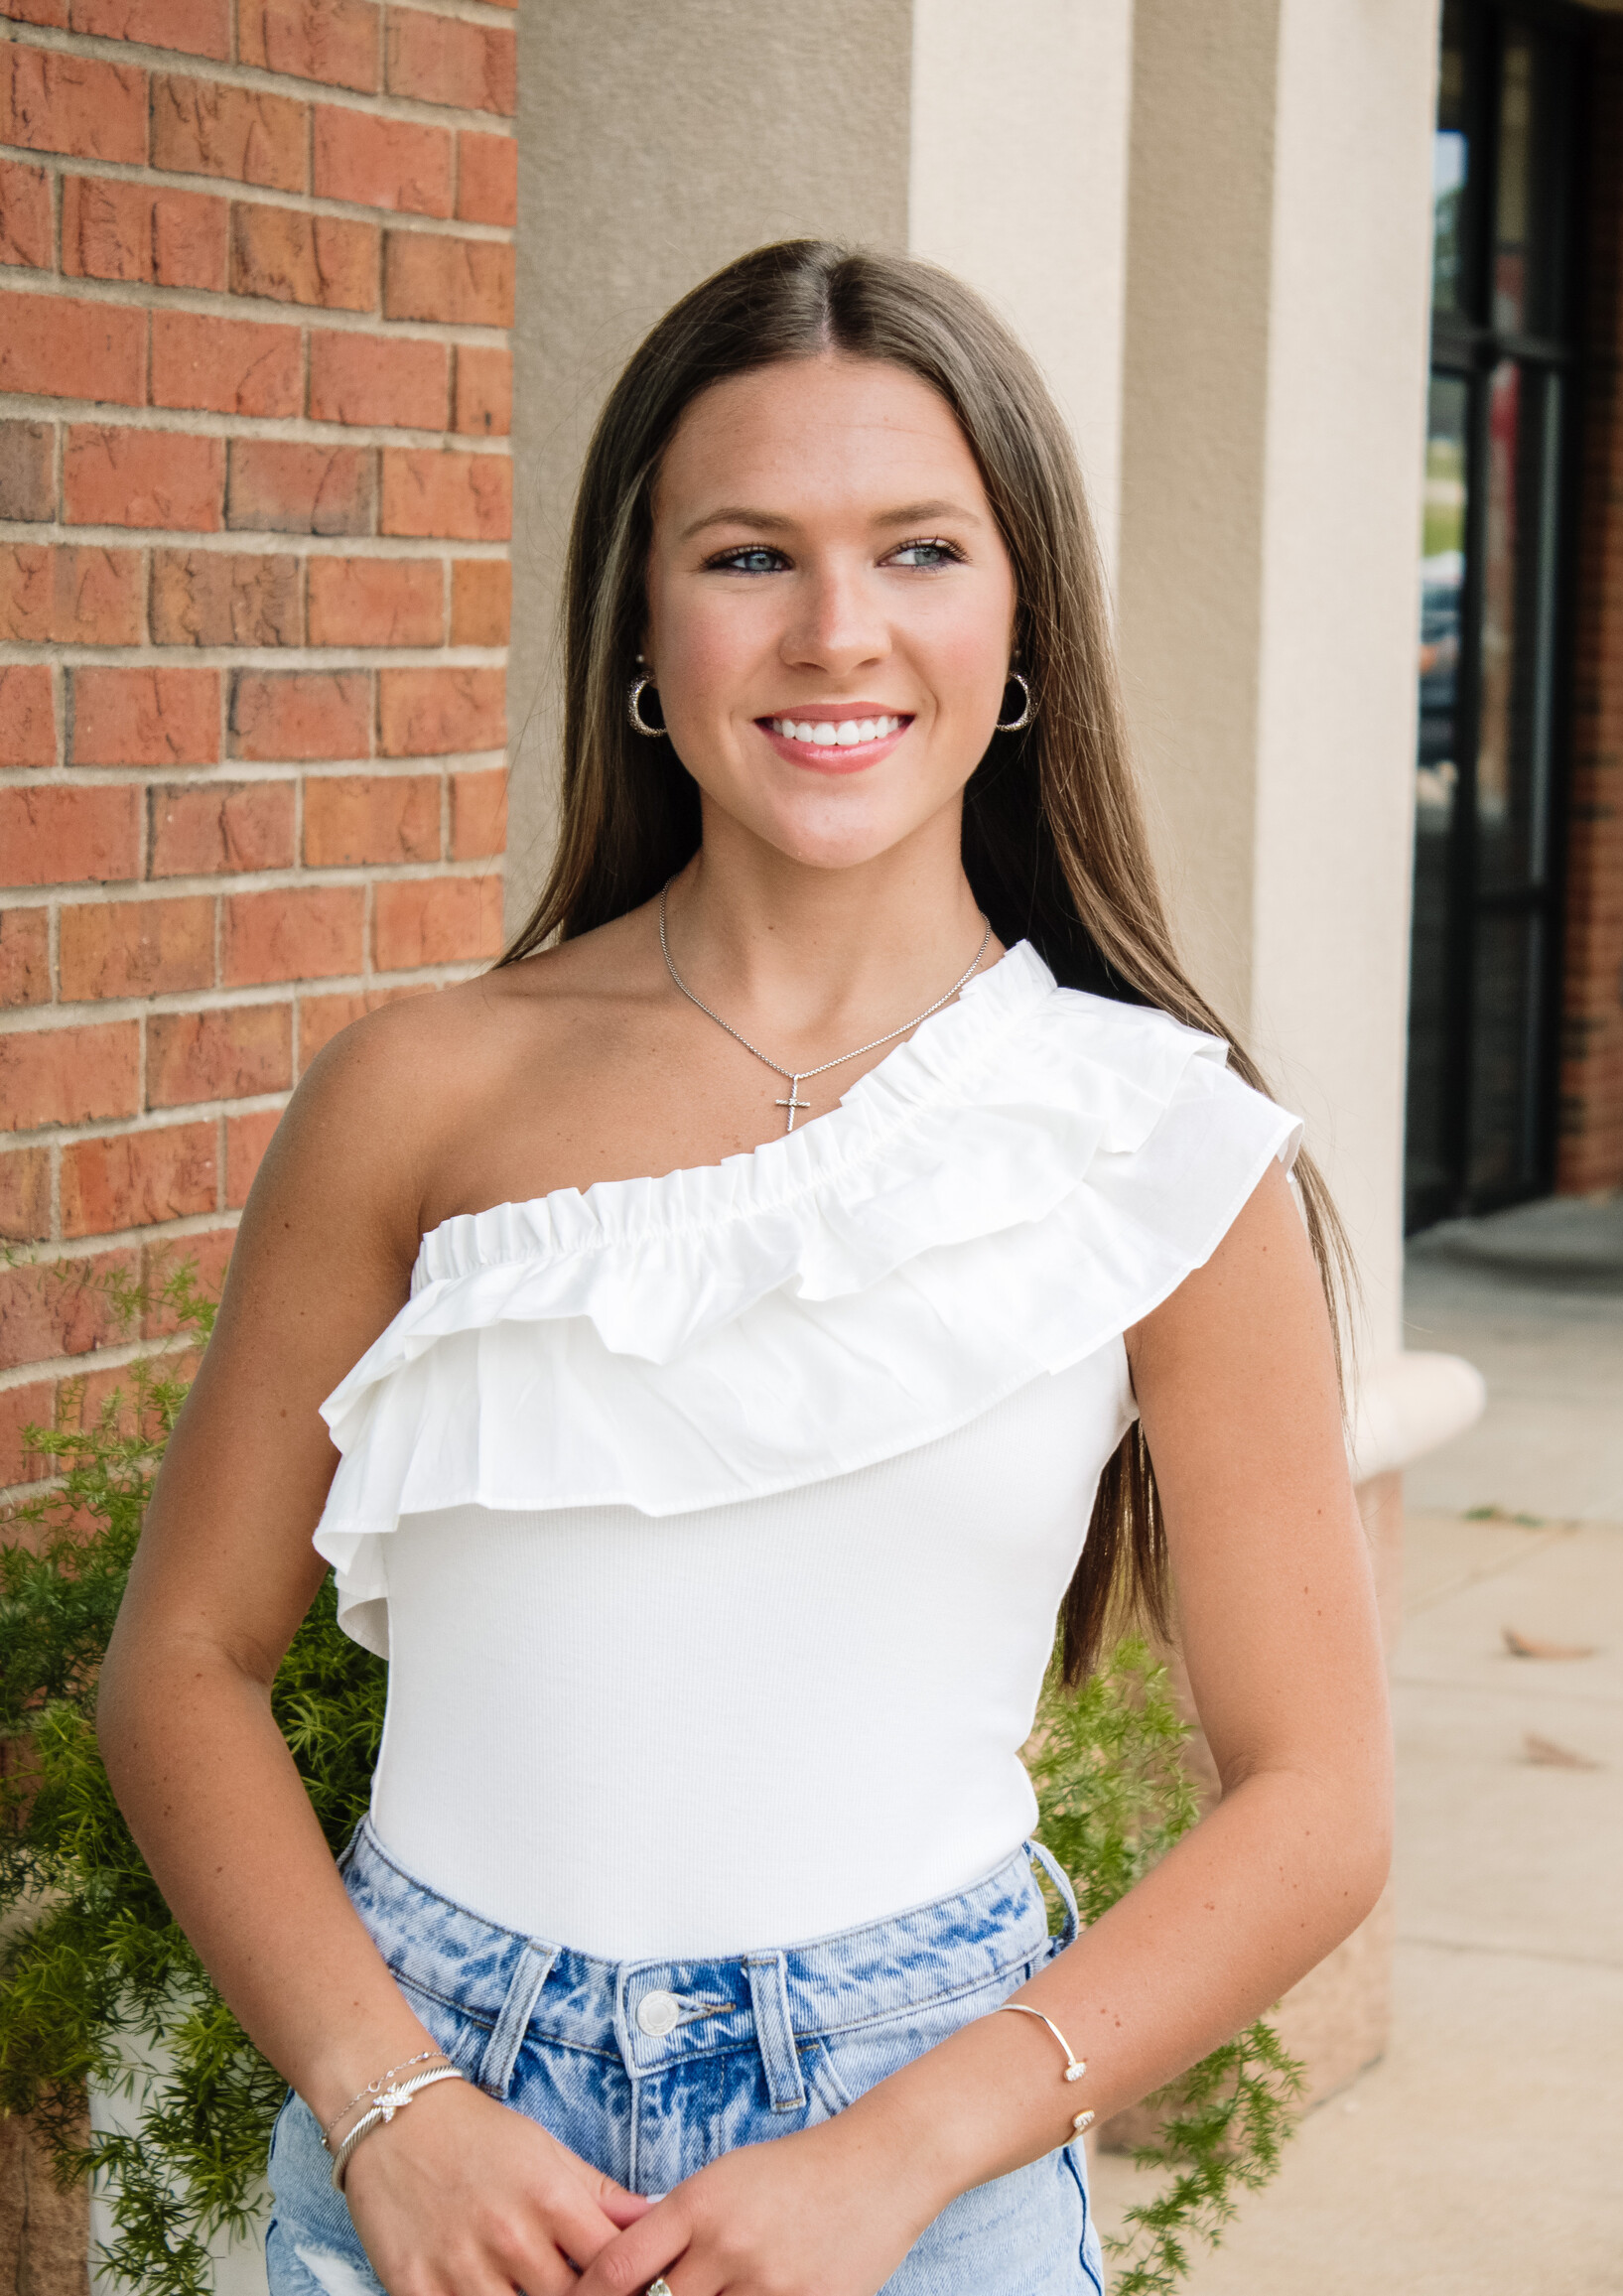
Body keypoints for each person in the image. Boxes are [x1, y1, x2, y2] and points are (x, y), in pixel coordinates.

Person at [98, 240, 1393, 2296]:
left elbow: (1317, 1799)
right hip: (433, 2153)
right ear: (640, 612)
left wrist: (899, 2152)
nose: (835, 632)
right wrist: (389, 2100)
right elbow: (180, 1669)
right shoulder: (420, 1093)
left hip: (916, 2177)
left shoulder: (1151, 1136)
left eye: (916, 548)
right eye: (744, 556)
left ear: (1021, 608)